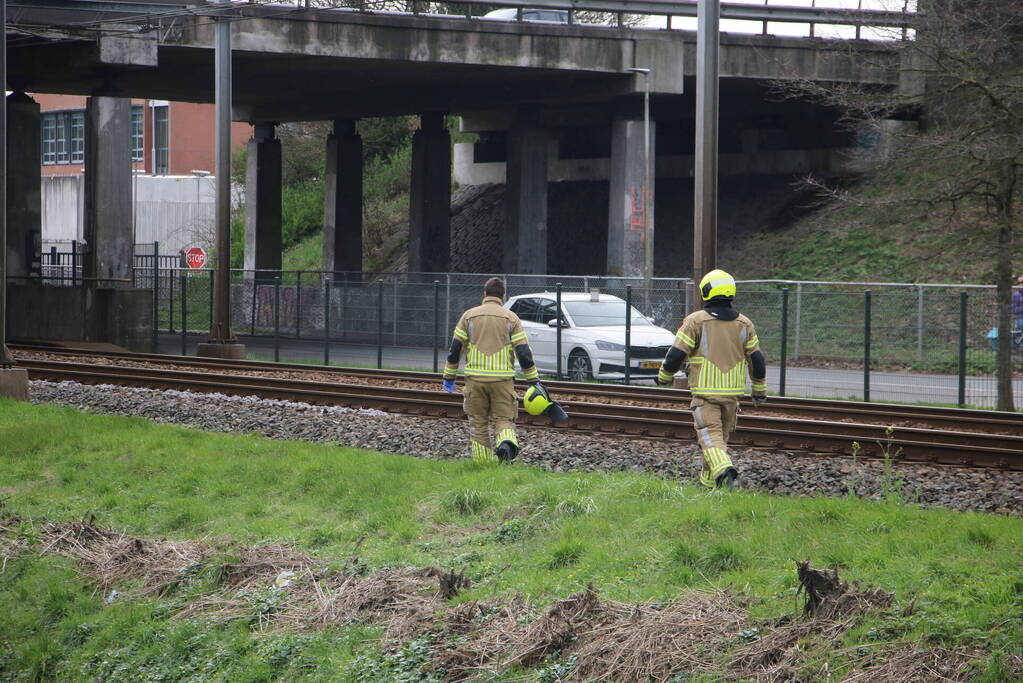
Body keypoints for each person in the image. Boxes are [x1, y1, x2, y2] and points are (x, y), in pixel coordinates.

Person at [655, 269, 767, 489]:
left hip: (706, 394)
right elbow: (757, 359)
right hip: (733, 395)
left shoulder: (695, 321)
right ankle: (708, 487)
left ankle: (725, 469)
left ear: (706, 291)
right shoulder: (745, 324)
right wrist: (759, 390)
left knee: (709, 436)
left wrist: (663, 376)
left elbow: (676, 354)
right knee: (717, 442)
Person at [442, 277, 541, 463]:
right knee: (504, 419)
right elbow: (524, 353)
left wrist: (449, 377)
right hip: (502, 382)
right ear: (503, 296)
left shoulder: (468, 316)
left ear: (484, 294)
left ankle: (483, 464)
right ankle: (505, 445)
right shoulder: (511, 318)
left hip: (475, 381)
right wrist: (533, 381)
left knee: (478, 424)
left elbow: (455, 349)